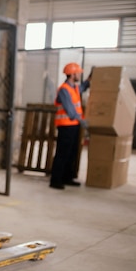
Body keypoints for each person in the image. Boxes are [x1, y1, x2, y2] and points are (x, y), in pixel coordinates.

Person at [50, 62, 91, 190]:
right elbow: (69, 109)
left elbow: (82, 87)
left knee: (71, 153)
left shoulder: (74, 88)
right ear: (72, 74)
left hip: (73, 126)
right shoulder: (64, 89)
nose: (79, 74)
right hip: (66, 126)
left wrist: (89, 79)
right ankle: (56, 180)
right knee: (63, 153)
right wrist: (80, 119)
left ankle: (67, 178)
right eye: (78, 73)